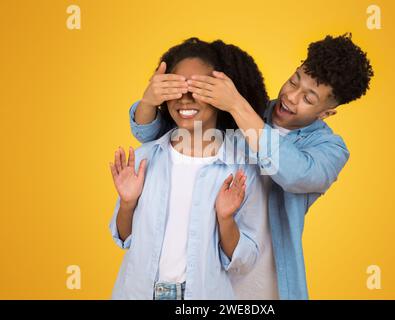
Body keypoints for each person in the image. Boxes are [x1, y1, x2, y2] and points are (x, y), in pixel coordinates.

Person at [128, 33, 374, 299]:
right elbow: (153, 133)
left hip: (262, 283)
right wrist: (150, 100)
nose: (291, 97)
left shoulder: (328, 149)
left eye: (309, 99)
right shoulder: (252, 105)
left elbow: (295, 174)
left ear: (327, 112)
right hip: (206, 276)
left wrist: (236, 105)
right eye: (293, 81)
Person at [108, 38, 277, 299]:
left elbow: (244, 260)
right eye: (176, 89)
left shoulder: (242, 171)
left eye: (198, 89)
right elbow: (124, 238)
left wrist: (226, 219)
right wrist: (127, 203)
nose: (185, 100)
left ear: (219, 95)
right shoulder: (145, 159)